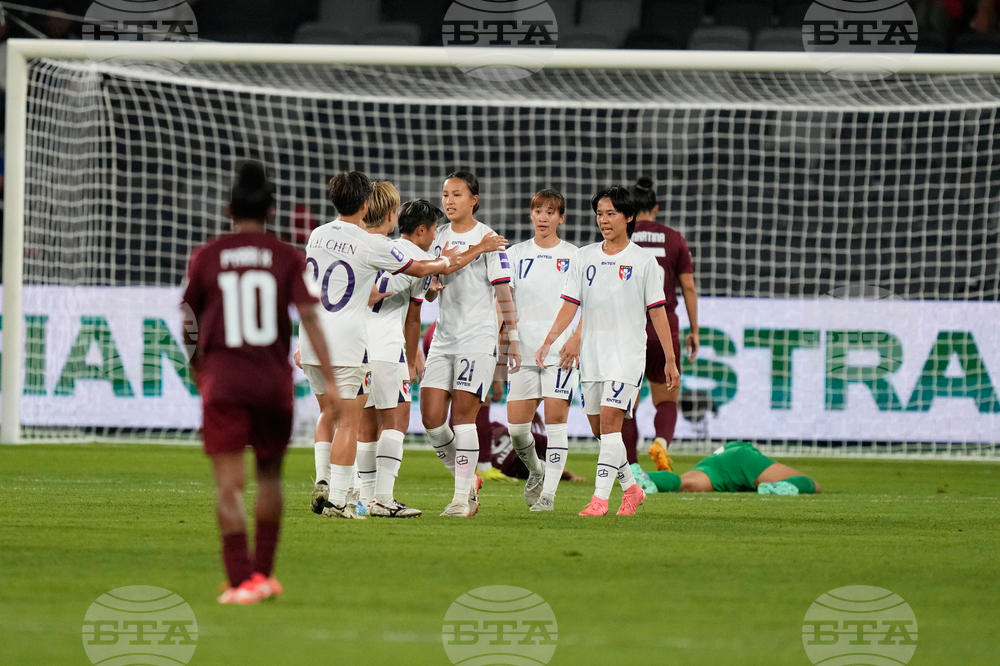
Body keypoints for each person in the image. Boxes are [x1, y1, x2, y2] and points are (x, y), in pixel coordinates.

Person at [300, 171, 504, 519]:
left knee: (355, 424)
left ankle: (353, 492)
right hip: (377, 345)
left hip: (326, 338)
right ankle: (375, 497)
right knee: (392, 422)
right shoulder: (383, 248)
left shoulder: (321, 235)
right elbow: (415, 299)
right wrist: (470, 252)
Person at [181, 162, 339, 604]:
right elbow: (309, 316)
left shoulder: (207, 256)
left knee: (229, 485)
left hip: (224, 382)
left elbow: (189, 317)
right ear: (271, 210)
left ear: (229, 209)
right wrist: (332, 381)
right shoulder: (286, 256)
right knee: (270, 478)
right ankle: (264, 576)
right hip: (272, 383)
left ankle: (239, 581)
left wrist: (196, 364)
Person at [536, 186, 680, 517]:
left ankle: (599, 500)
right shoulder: (583, 257)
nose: (603, 220)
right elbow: (570, 305)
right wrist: (549, 340)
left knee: (612, 425)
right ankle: (632, 489)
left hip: (626, 355)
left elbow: (658, 313)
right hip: (592, 356)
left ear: (628, 217)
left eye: (611, 214)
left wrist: (670, 359)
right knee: (600, 430)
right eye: (599, 214)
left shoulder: (644, 261)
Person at [421, 171, 520, 518]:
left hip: (477, 339)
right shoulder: (438, 237)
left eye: (457, 194)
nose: (448, 201)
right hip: (443, 338)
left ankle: (462, 498)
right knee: (432, 420)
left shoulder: (489, 239)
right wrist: (432, 287)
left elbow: (504, 292)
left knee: (463, 418)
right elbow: (429, 290)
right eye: (445, 194)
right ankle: (468, 479)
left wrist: (512, 340)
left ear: (474, 200)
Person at [356, 195, 445, 518]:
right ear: (421, 230)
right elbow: (412, 318)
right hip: (387, 346)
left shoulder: (382, 248)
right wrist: (411, 360)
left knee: (366, 427)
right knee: (396, 422)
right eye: (434, 230)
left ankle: (365, 498)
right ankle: (383, 498)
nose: (434, 237)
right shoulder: (420, 259)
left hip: (359, 346)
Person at [505, 189, 581, 511]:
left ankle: (548, 496)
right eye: (538, 211)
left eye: (550, 212)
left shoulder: (575, 256)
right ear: (531, 214)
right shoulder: (516, 254)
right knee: (517, 431)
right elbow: (504, 300)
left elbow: (588, 303)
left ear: (561, 218)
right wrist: (507, 338)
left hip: (560, 353)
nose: (543, 218)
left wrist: (577, 338)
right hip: (523, 351)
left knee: (556, 424)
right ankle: (537, 471)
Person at [622, 176, 698, 478]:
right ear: (655, 208)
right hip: (663, 327)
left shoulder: (622, 237)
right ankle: (661, 442)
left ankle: (631, 467)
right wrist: (695, 330)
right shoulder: (674, 238)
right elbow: (688, 288)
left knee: (625, 404)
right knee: (666, 399)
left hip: (630, 328)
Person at [641, 441, 822, 495]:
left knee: (686, 483)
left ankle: (644, 477)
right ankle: (780, 486)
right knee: (812, 484)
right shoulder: (745, 454)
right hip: (742, 457)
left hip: (718, 458)